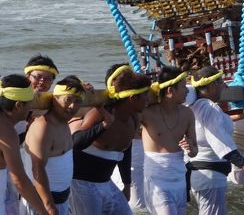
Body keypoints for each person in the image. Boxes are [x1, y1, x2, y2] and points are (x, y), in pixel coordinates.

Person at [69, 64, 151, 215]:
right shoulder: (100, 113)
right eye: (145, 94)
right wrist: (104, 126)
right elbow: (75, 142)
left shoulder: (134, 118)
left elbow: (125, 148)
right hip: (82, 184)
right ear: (133, 97)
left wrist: (127, 184)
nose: (148, 99)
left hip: (106, 183)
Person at [188, 66, 244, 214]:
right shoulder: (210, 109)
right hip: (210, 175)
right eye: (221, 82)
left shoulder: (193, 106)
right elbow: (220, 143)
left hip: (197, 174)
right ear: (210, 86)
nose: (226, 86)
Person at [22, 76, 84, 215]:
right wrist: (49, 206)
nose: (72, 106)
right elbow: (37, 169)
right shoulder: (43, 127)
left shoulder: (64, 123)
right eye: (68, 100)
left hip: (62, 200)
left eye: (78, 101)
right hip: (42, 204)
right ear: (55, 98)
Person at [141, 66, 198, 215]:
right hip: (157, 179)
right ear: (170, 91)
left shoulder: (187, 113)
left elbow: (194, 152)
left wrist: (191, 148)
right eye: (183, 87)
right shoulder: (147, 113)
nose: (187, 91)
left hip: (179, 178)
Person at [0, 75, 50, 215]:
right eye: (30, 103)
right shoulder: (7, 131)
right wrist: (43, 211)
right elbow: (19, 179)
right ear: (19, 105)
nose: (32, 107)